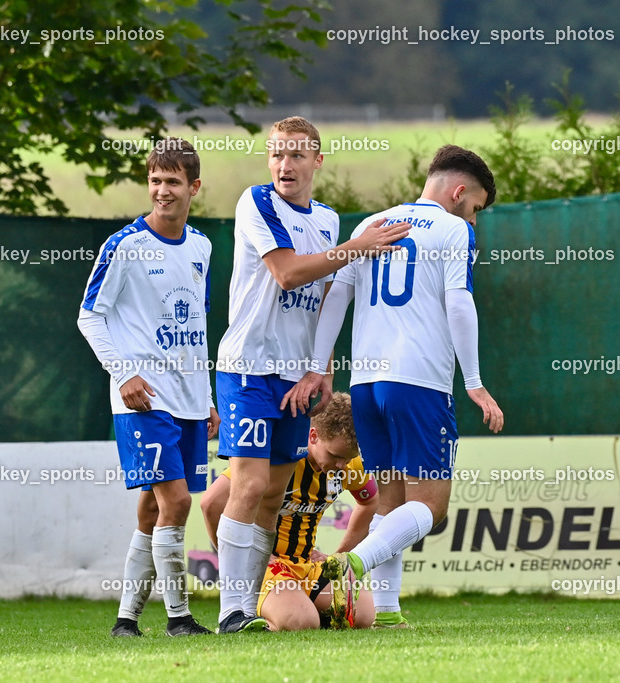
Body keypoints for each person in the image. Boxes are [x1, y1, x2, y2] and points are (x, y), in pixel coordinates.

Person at [286, 144, 505, 628]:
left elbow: (336, 296)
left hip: (366, 383)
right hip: (419, 381)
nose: (473, 221)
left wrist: (320, 366)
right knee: (431, 505)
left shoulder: (372, 224)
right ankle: (351, 564)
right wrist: (474, 381)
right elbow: (459, 304)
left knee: (392, 501)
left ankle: (385, 609)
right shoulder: (452, 231)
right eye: (475, 210)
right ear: (460, 191)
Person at [212, 116, 410, 633]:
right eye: (277, 154)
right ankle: (233, 609)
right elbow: (289, 272)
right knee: (250, 484)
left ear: (317, 161)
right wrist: (357, 247)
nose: (285, 165)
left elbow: (321, 297)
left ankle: (256, 602)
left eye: (297, 155)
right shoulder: (257, 202)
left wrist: (319, 367)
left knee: (274, 496)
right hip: (249, 367)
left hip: (294, 379)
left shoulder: (325, 218)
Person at [78, 137, 218, 638]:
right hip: (142, 398)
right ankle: (179, 618)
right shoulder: (124, 246)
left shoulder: (202, 247)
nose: (162, 190)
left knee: (153, 507)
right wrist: (124, 374)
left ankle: (126, 620)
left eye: (173, 181)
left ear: (194, 187)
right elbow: (89, 317)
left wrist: (207, 399)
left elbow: (198, 327)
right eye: (155, 180)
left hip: (187, 400)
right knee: (177, 503)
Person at [202, 392, 378, 630]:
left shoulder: (348, 465)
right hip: (268, 567)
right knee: (303, 622)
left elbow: (370, 502)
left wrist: (340, 556)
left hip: (306, 564)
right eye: (335, 456)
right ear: (313, 436)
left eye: (348, 459)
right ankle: (258, 617)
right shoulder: (280, 459)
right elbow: (210, 504)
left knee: (364, 615)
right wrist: (242, 562)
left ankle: (295, 608)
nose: (341, 465)